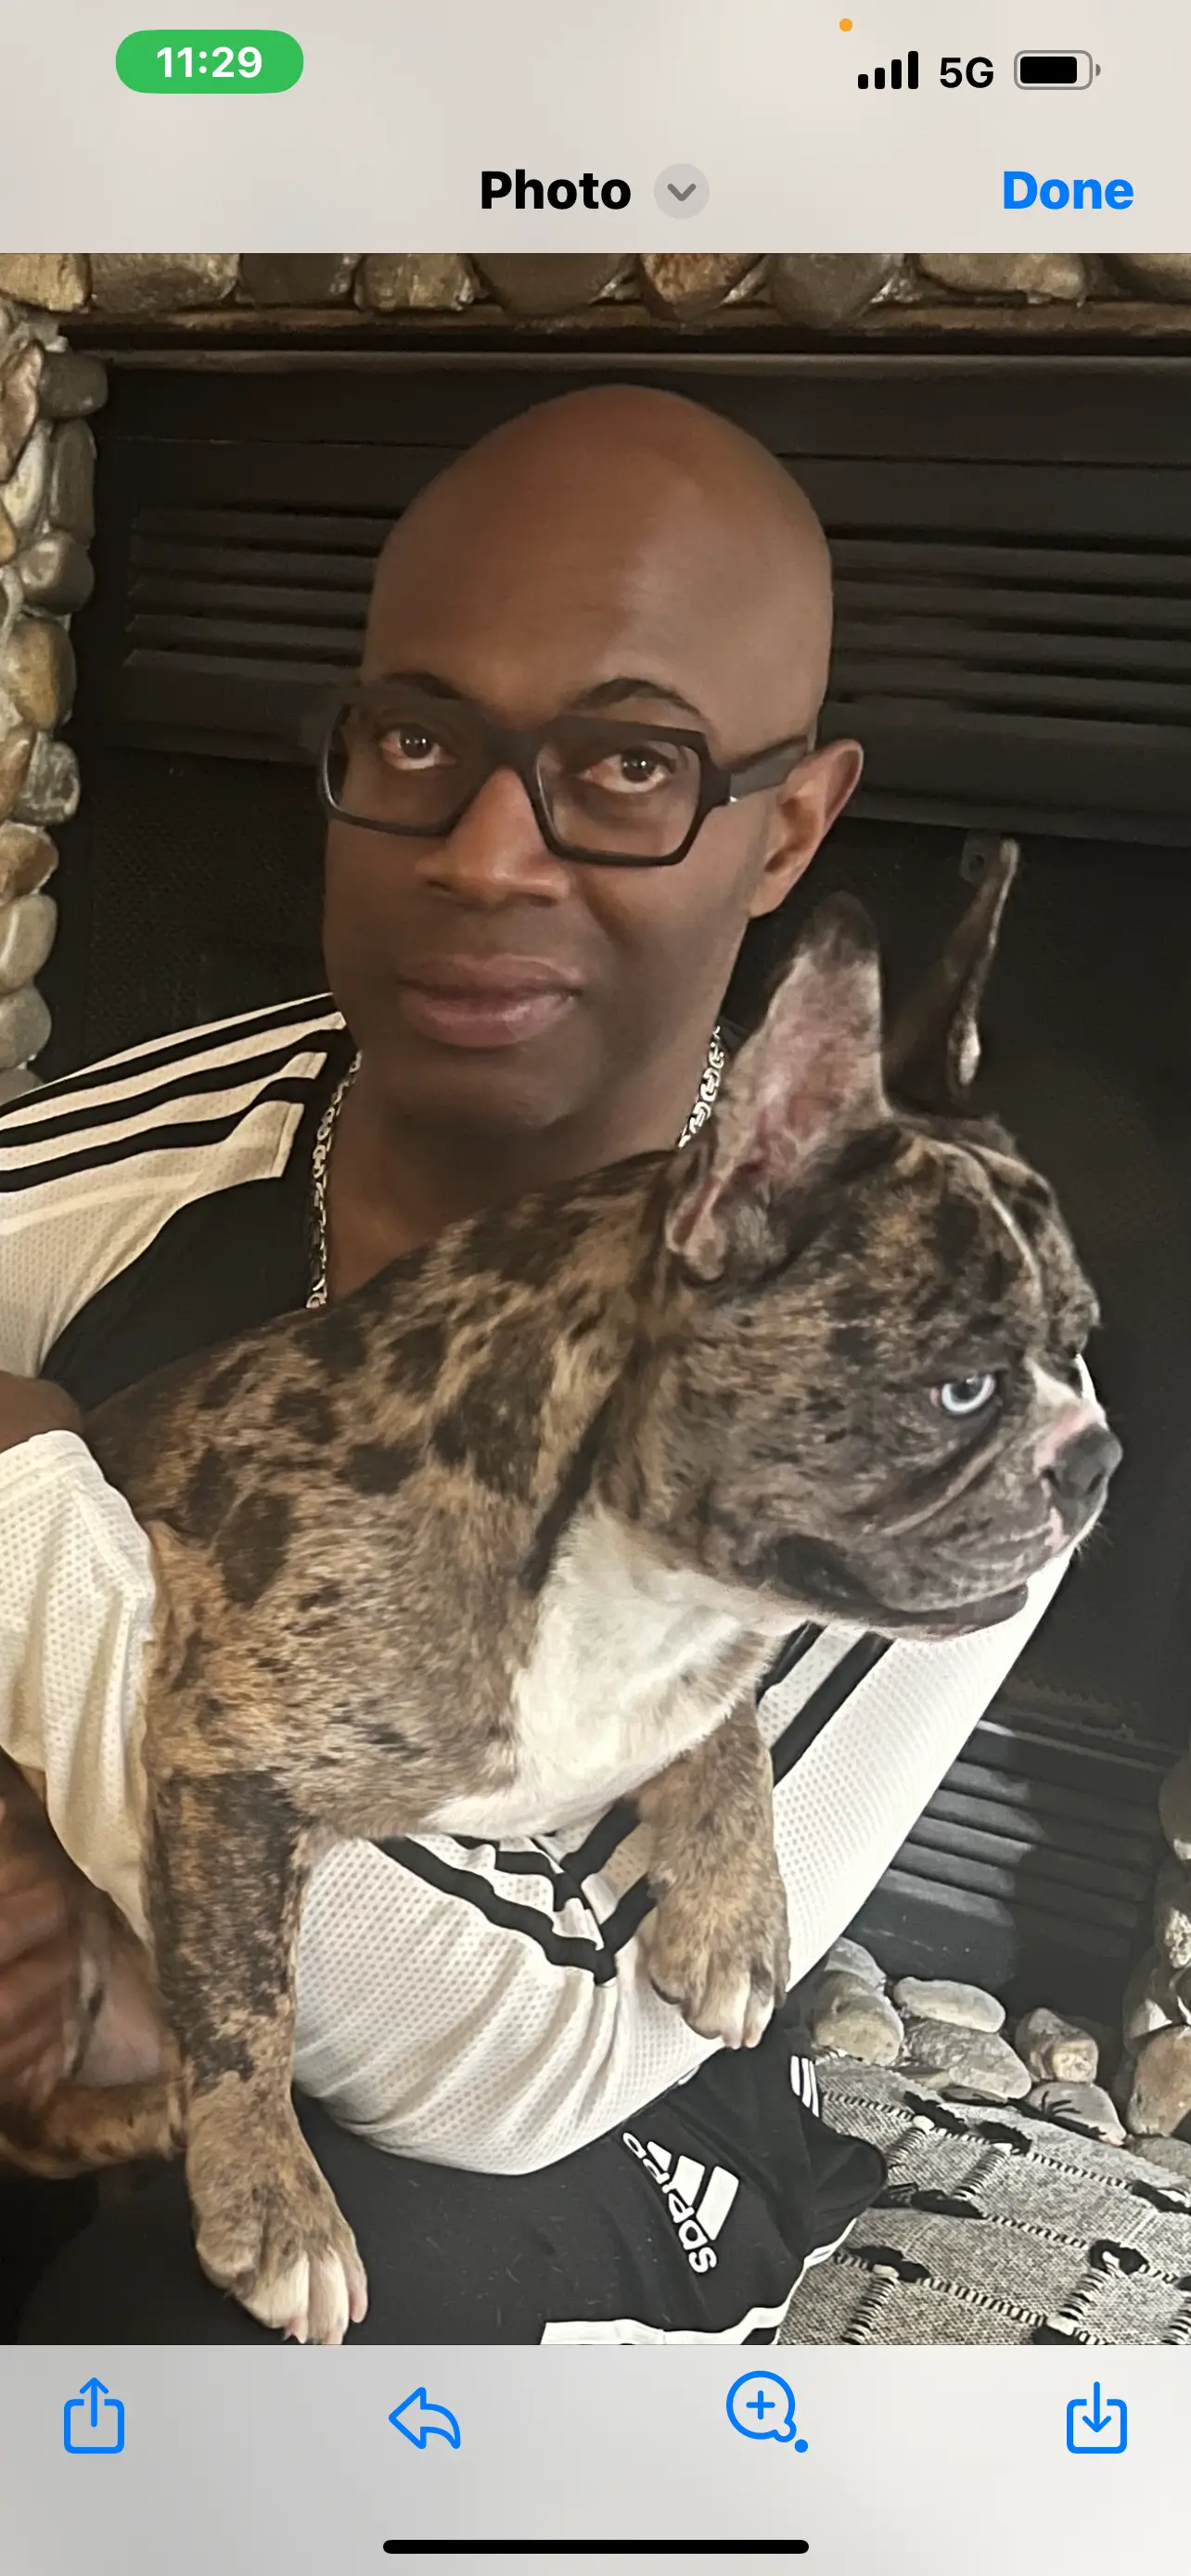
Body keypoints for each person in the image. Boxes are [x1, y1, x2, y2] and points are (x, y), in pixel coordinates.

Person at [0, 386, 1070, 2342]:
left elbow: (528, 2053)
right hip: (141, 1947)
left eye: (632, 764)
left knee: (234, 2343)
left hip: (609, 2109)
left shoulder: (936, 1388)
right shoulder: (169, 1146)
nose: (488, 855)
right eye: (419, 740)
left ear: (788, 826)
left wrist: (22, 1523)